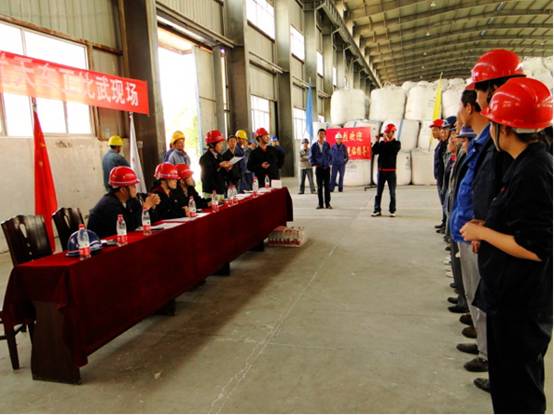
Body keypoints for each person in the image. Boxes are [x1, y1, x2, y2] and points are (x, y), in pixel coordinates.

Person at [460, 77, 552, 414]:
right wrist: (489, 228)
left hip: (520, 304)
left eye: (495, 123)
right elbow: (519, 222)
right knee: (509, 388)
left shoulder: (533, 171)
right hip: (510, 298)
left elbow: (535, 247)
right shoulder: (525, 163)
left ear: (507, 128)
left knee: (519, 394)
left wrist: (484, 235)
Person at [451, 49, 525, 390]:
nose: (478, 100)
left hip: (489, 240)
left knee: (494, 307)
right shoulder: (489, 143)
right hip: (478, 233)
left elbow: (533, 237)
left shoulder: (514, 154)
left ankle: (494, 362)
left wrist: (487, 230)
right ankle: (489, 355)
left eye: (480, 91)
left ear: (495, 91)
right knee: (482, 299)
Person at [447, 124, 476, 318]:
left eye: (462, 138)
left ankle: (468, 305)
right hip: (461, 220)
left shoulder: (476, 156)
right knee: (465, 270)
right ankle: (463, 297)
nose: (456, 139)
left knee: (473, 275)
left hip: (469, 226)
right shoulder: (465, 155)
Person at [88, 166, 160, 238]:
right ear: (123, 190)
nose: (135, 188)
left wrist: (152, 206)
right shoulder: (109, 205)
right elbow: (128, 227)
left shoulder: (129, 200)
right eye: (133, 186)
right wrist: (145, 208)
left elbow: (148, 221)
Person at [371, 123, 401, 217]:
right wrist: (377, 141)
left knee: (392, 192)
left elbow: (392, 150)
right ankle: (377, 210)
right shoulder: (382, 143)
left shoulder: (396, 143)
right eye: (386, 132)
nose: (387, 134)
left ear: (393, 132)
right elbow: (374, 151)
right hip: (381, 171)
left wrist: (387, 140)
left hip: (391, 172)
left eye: (389, 132)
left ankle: (392, 210)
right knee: (378, 192)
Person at [199, 130, 232, 199]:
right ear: (212, 145)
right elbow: (206, 177)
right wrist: (219, 166)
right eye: (220, 144)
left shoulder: (220, 156)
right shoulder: (204, 159)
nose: (222, 146)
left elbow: (222, 175)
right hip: (210, 193)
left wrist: (227, 169)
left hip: (221, 191)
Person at [430, 119, 448, 231]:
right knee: (443, 201)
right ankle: (444, 222)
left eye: (435, 130)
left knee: (445, 200)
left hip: (443, 177)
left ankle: (446, 224)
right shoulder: (440, 144)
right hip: (440, 177)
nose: (433, 132)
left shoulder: (445, 145)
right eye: (432, 130)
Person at [310, 128, 333, 209]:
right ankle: (320, 204)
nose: (321, 135)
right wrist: (314, 164)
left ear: (325, 135)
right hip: (319, 168)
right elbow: (311, 156)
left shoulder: (327, 145)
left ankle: (327, 204)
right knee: (319, 187)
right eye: (320, 134)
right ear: (317, 135)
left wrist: (329, 163)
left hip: (326, 168)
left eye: (323, 134)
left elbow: (330, 155)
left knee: (327, 186)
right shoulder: (314, 146)